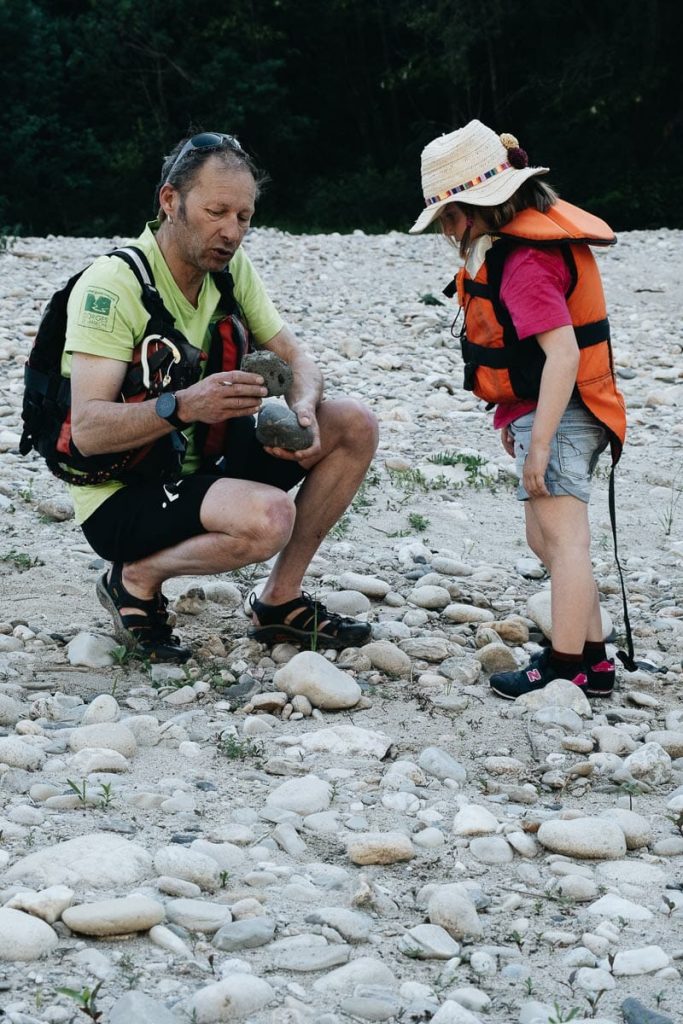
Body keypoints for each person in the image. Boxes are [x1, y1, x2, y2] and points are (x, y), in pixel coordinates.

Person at [62, 131, 378, 662]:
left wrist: (303, 410)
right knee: (270, 517)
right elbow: (89, 431)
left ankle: (279, 602)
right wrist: (185, 406)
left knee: (354, 423)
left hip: (203, 467)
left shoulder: (229, 272)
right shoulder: (111, 287)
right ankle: (134, 577)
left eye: (244, 217)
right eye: (216, 212)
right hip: (123, 493)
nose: (230, 232)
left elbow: (298, 359)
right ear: (170, 200)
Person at [410, 120, 627, 699]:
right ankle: (596, 660)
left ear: (474, 210)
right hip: (549, 412)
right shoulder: (514, 251)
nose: (445, 232)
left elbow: (561, 356)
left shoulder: (525, 264)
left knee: (563, 542)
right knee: (547, 538)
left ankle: (565, 665)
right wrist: (513, 419)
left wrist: (540, 443)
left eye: (447, 219)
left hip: (564, 413)